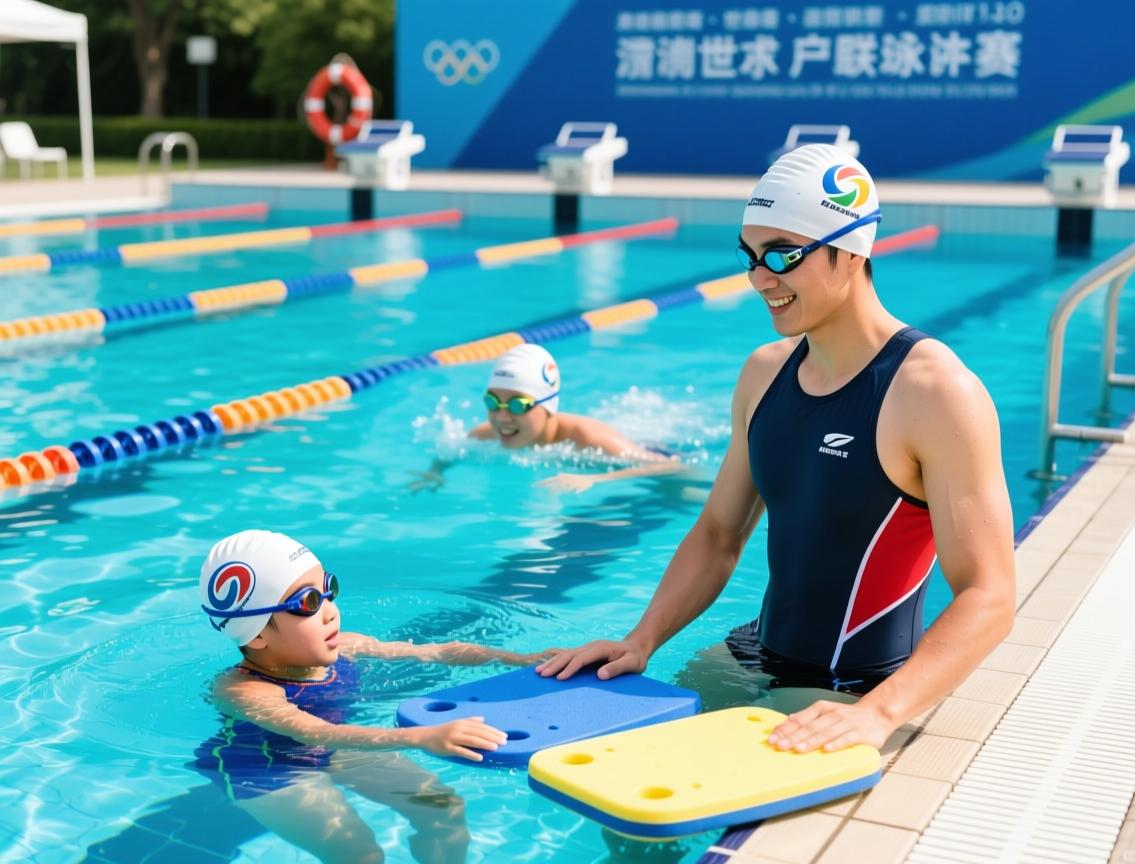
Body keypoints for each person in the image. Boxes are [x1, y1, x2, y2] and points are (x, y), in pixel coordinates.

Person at [539, 144, 1016, 756]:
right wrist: (643, 639)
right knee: (621, 799)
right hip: (753, 651)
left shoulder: (933, 391)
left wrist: (878, 713)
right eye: (750, 255)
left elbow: (991, 593)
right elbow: (718, 534)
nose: (760, 277)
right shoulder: (764, 375)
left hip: (855, 686)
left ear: (851, 251)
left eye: (783, 255)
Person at [194, 529, 552, 864]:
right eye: (308, 603)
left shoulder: (347, 645)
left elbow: (436, 652)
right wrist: (423, 736)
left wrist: (525, 661)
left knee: (443, 806)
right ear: (255, 633)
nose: (330, 611)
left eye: (328, 589)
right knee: (360, 855)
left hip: (336, 748)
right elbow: (316, 732)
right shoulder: (243, 689)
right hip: (267, 769)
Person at [409, 343, 682, 494]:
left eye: (518, 405)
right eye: (493, 402)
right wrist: (434, 473)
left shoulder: (589, 440)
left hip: (654, 451)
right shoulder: (484, 434)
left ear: (548, 405)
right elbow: (450, 453)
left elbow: (671, 467)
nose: (502, 416)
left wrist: (595, 480)